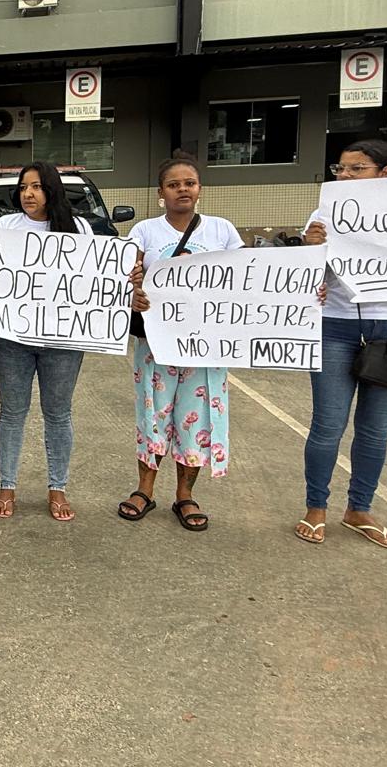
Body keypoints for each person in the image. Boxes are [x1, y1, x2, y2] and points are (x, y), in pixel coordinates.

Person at [296, 140, 387, 549]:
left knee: (375, 431)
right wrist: (310, 251)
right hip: (336, 327)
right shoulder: (324, 215)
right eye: (340, 168)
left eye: (356, 168)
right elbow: (303, 278)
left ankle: (359, 509)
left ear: (385, 173)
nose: (344, 175)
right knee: (327, 426)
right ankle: (316, 507)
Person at [121, 154, 242, 530]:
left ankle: (185, 495)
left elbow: (247, 280)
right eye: (173, 185)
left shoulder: (222, 231)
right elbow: (126, 276)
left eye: (189, 182)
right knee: (153, 414)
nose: (182, 189)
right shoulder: (145, 232)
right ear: (161, 192)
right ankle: (144, 490)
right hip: (156, 343)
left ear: (200, 188)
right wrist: (134, 292)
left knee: (196, 418)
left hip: (206, 346)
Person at [0, 162, 93, 522]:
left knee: (58, 413)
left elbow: (92, 279)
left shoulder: (79, 228)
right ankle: (7, 486)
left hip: (63, 339)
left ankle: (58, 488)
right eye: (24, 187)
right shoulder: (4, 228)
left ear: (51, 190)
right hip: (13, 339)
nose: (28, 193)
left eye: (37, 187)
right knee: (12, 412)